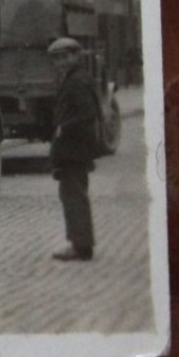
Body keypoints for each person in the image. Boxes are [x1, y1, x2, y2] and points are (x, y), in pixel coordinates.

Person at [49, 37, 104, 261]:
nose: (60, 63)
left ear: (75, 56)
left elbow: (86, 114)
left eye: (64, 57)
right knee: (71, 194)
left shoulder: (77, 81)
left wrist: (63, 129)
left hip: (74, 149)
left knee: (74, 196)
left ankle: (81, 247)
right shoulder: (75, 78)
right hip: (74, 149)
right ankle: (79, 243)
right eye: (56, 59)